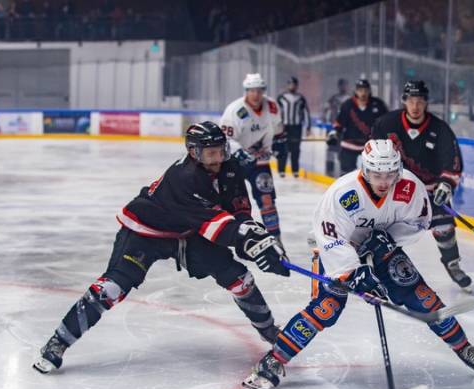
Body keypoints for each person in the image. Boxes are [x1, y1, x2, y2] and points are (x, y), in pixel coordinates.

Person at [33, 122, 289, 374]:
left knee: (240, 279)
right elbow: (216, 225)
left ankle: (268, 330)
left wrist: (257, 242)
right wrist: (247, 238)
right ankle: (59, 341)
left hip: (188, 231)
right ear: (194, 152)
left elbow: (238, 211)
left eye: (221, 150)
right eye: (211, 153)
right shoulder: (183, 177)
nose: (218, 158)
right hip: (147, 231)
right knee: (110, 288)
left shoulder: (229, 167)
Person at [242, 139, 474, 389]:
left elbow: (418, 222)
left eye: (390, 175)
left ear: (399, 171)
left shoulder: (410, 188)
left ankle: (465, 348)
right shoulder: (343, 193)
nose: (383, 182)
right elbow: (330, 237)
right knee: (327, 308)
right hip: (338, 254)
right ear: (365, 169)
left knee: (423, 298)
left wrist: (384, 241)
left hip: (383, 248)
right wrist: (353, 271)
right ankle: (274, 360)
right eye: (376, 174)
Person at [371, 80, 472, 291]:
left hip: (430, 191)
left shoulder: (440, 129)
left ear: (426, 102)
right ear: (404, 101)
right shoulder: (386, 124)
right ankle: (378, 269)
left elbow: (453, 164)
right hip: (396, 189)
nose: (415, 106)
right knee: (383, 228)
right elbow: (370, 151)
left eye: (419, 101)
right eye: (410, 100)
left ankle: (452, 265)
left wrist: (445, 185)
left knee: (444, 227)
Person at [220, 73, 287, 239]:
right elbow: (225, 139)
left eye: (259, 91)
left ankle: (276, 241)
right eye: (251, 91)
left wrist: (280, 142)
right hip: (236, 165)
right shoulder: (235, 111)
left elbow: (278, 129)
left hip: (261, 162)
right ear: (245, 91)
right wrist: (239, 152)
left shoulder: (271, 105)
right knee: (232, 202)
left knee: (267, 201)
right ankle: (230, 239)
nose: (256, 95)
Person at [327, 78, 389, 174]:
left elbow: (386, 123)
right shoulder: (347, 105)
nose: (363, 93)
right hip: (349, 145)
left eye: (365, 90)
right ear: (355, 91)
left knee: (373, 175)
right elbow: (339, 123)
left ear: (369, 91)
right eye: (360, 90)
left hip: (371, 146)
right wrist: (335, 134)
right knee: (345, 174)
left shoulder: (378, 104)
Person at [276, 76, 311, 178]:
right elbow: (276, 112)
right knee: (283, 147)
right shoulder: (281, 98)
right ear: (288, 85)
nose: (292, 86)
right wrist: (277, 125)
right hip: (284, 127)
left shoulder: (300, 98)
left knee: (295, 149)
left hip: (296, 128)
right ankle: (281, 170)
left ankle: (295, 170)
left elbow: (305, 113)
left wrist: (308, 127)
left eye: (294, 84)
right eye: (290, 84)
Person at [323, 78, 351, 176]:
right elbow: (327, 114)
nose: (344, 87)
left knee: (343, 153)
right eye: (342, 85)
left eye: (345, 85)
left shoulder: (350, 100)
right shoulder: (333, 100)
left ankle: (342, 174)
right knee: (331, 151)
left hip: (345, 131)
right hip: (333, 129)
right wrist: (328, 128)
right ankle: (329, 172)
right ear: (339, 86)